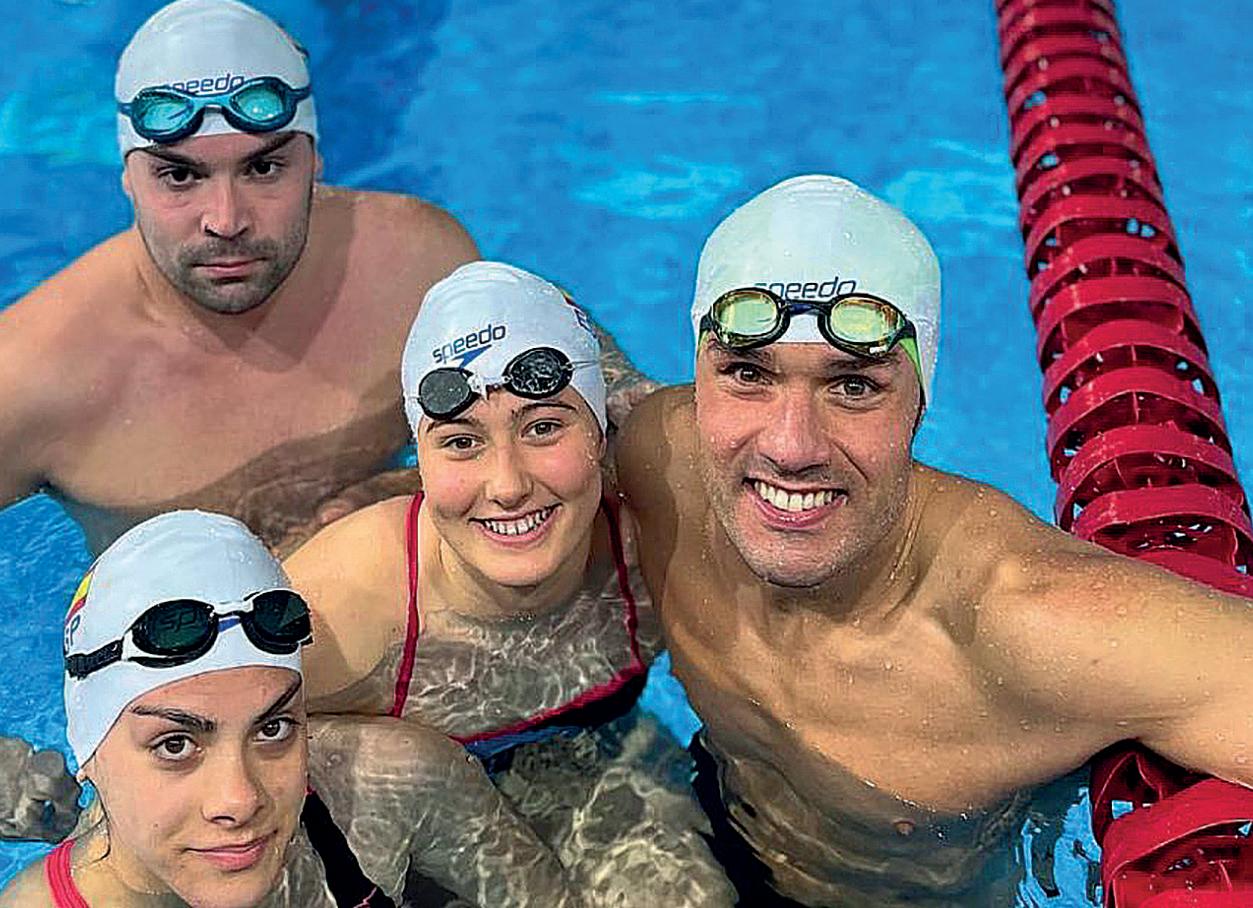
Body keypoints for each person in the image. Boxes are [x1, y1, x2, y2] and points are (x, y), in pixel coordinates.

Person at [616, 174, 1253, 906]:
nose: (790, 447)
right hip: (713, 833)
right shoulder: (655, 454)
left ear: (919, 402)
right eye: (747, 374)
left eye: (854, 386)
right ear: (698, 382)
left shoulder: (1028, 620)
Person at [286, 261, 733, 906]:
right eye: (461, 443)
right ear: (422, 461)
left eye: (543, 427)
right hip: (389, 823)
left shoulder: (656, 542)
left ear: (600, 434)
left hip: (584, 763)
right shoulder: (347, 605)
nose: (508, 486)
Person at [0, 0, 477, 557]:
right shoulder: (27, 377)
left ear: (315, 160)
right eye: (180, 176)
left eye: (263, 168)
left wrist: (413, 492)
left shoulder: (418, 266)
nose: (226, 220)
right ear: (127, 176)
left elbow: (564, 416)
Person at [0, 510, 398, 907]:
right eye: (174, 745)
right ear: (87, 751)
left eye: (273, 728)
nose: (240, 802)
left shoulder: (394, 790)